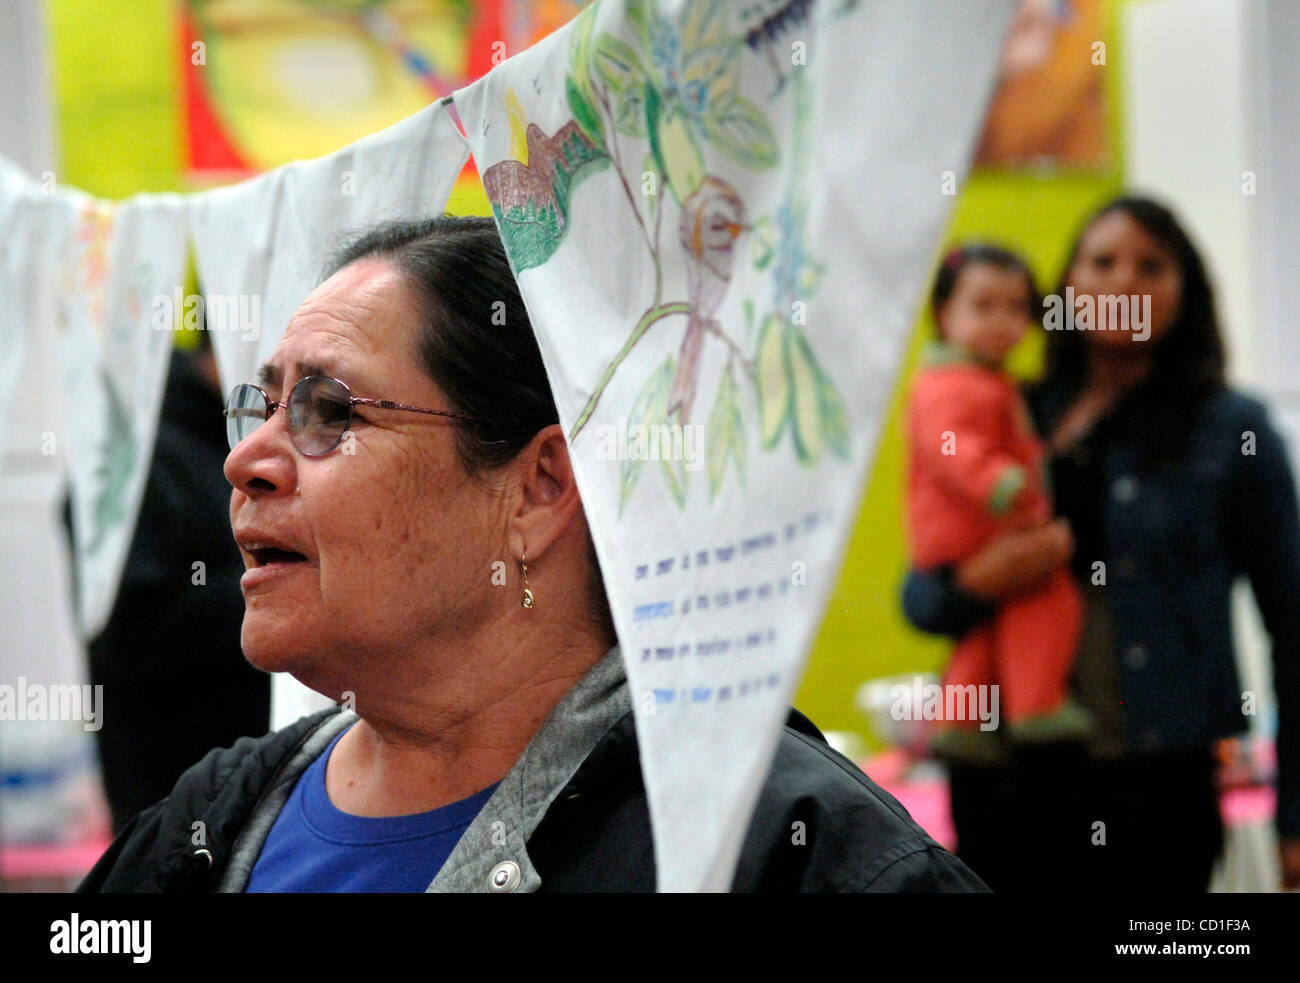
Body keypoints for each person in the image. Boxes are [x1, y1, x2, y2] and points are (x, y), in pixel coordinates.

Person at [77, 216, 987, 893]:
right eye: (261, 406)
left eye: (329, 411)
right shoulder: (211, 827)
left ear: (541, 485)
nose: (245, 461)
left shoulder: (787, 855)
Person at [901, 195, 1300, 892]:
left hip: (1156, 788)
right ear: (1066, 288)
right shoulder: (1009, 409)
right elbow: (922, 600)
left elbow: (1294, 626)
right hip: (1004, 777)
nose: (1123, 282)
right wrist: (979, 581)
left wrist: (1295, 812)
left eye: (1152, 265)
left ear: (1188, 291)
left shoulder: (1233, 430)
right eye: (1102, 261)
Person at [906, 243, 1084, 757]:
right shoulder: (950, 384)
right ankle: (1037, 705)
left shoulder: (983, 380)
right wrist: (998, 481)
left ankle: (960, 720)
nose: (1003, 323)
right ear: (943, 314)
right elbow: (952, 446)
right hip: (976, 524)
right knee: (1048, 598)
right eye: (983, 307)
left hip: (978, 529)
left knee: (988, 627)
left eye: (1016, 309)